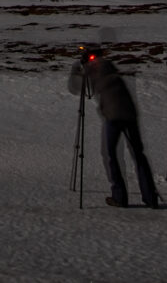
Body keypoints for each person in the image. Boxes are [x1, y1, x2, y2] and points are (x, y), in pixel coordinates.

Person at [67, 43, 160, 209]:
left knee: (110, 154)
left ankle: (119, 196)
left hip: (113, 115)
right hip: (129, 112)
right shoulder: (109, 66)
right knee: (138, 154)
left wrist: (76, 69)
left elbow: (74, 88)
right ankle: (150, 196)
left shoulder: (92, 67)